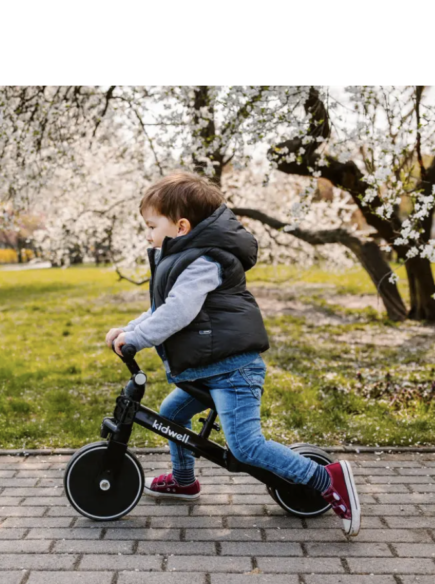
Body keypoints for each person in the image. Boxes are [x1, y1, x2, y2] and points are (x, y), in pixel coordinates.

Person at [105, 171, 360, 537]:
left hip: (233, 370)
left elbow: (180, 311)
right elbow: (164, 308)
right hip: (209, 368)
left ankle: (327, 479)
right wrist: (130, 328)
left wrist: (138, 339)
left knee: (244, 446)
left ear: (180, 226)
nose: (147, 234)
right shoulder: (184, 257)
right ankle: (183, 480)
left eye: (150, 226)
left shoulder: (204, 261)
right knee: (171, 414)